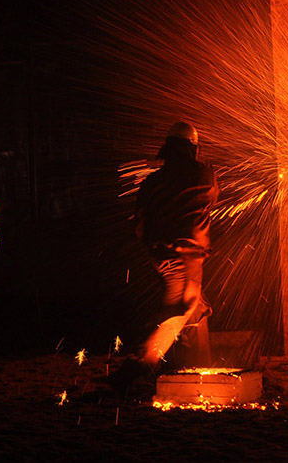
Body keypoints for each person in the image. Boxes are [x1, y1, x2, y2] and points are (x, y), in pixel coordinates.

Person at [116, 122, 218, 393]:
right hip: (186, 257)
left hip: (160, 255)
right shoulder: (204, 174)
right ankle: (140, 364)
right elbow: (210, 200)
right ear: (193, 147)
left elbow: (140, 222)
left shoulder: (153, 181)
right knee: (182, 308)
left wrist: (155, 244)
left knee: (197, 307)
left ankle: (193, 363)